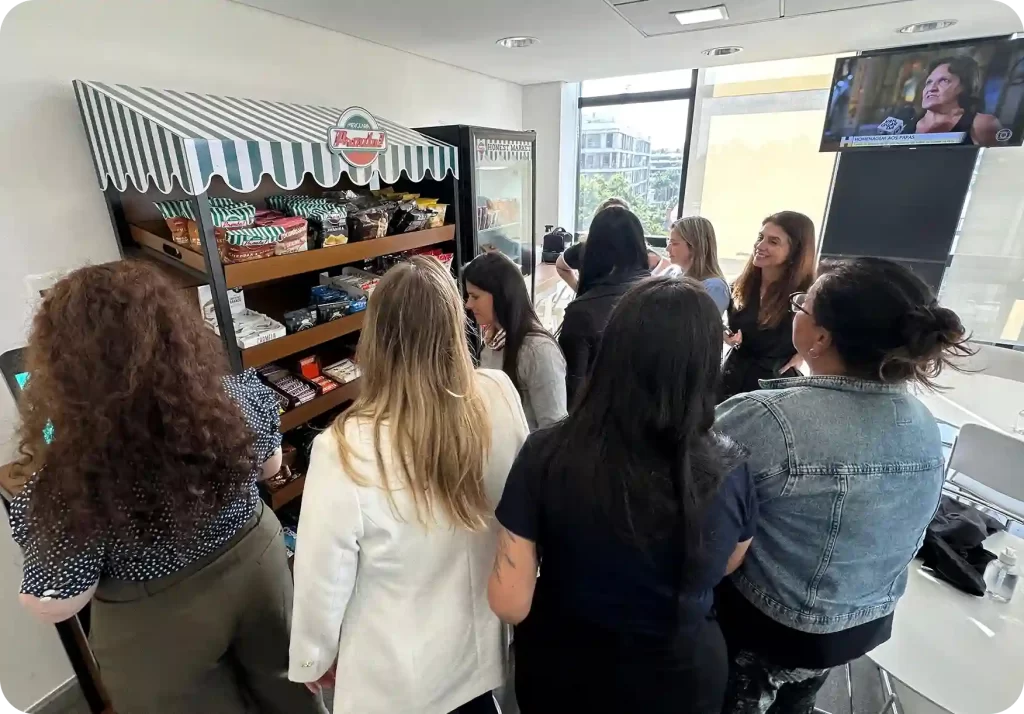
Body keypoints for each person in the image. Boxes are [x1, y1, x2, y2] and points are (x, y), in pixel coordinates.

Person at [9, 261, 324, 714]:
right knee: (291, 683)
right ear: (177, 335)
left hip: (159, 612)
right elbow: (270, 465)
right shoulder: (233, 398)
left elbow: (57, 603)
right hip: (258, 563)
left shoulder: (71, 479)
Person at [488, 277, 757, 714]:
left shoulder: (546, 453)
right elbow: (729, 560)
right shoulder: (730, 465)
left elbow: (509, 602)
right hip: (682, 680)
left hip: (565, 674)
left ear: (612, 351)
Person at [715, 258, 971, 713]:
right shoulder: (924, 424)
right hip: (859, 626)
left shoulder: (765, 418)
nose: (795, 309)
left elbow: (693, 511)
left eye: (802, 305)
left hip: (770, 624)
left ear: (820, 339)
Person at [288, 256, 530, 714]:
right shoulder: (497, 393)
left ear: (375, 338)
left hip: (396, 680)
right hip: (479, 657)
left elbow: (322, 578)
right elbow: (518, 508)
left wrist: (313, 656)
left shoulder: (343, 447)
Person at [465, 251, 567, 430]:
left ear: (500, 295)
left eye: (475, 297)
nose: (468, 304)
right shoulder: (490, 341)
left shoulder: (538, 351)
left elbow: (554, 429)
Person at [720, 211, 817, 401]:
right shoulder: (739, 286)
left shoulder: (806, 297)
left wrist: (802, 355)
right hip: (730, 380)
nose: (760, 246)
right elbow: (718, 322)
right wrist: (725, 334)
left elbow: (825, 338)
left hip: (772, 390)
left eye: (773, 242)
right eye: (760, 237)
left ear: (795, 251)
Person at [558, 206, 651, 403]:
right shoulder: (665, 296)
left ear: (592, 250)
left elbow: (572, 393)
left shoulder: (582, 312)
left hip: (603, 417)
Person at [556, 197, 674, 292]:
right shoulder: (582, 249)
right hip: (590, 309)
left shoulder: (644, 254)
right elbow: (561, 266)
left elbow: (669, 268)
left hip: (628, 310)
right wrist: (579, 290)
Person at [902, 56, 1003, 146]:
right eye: (929, 82)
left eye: (944, 81)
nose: (932, 88)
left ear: (964, 87)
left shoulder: (982, 124)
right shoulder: (905, 122)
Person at [667, 216, 731, 312]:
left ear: (695, 246)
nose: (667, 249)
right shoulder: (671, 272)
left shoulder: (714, 288)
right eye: (668, 242)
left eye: (675, 243)